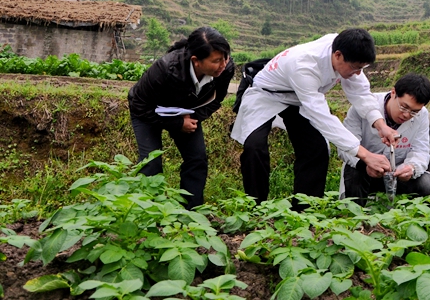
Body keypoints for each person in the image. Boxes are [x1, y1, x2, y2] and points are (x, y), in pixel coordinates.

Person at [231, 28, 395, 205]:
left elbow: (360, 93)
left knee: (317, 149)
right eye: (355, 68)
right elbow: (322, 118)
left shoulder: (345, 49)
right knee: (254, 146)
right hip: (267, 94)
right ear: (338, 55)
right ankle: (256, 207)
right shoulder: (304, 65)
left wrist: (380, 125)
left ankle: (304, 209)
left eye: (361, 69)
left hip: (299, 99)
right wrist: (365, 155)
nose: (357, 73)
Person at [128, 26, 235, 209]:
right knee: (151, 161)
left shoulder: (225, 69)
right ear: (196, 61)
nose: (223, 64)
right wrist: (177, 123)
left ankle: (190, 212)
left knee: (197, 159)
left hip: (185, 111)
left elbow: (216, 100)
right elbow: (138, 104)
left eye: (225, 57)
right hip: (148, 111)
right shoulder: (165, 69)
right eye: (216, 60)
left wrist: (191, 118)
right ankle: (148, 212)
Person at [339, 73, 430, 205]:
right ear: (393, 93)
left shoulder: (422, 115)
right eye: (404, 107)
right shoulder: (363, 107)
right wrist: (366, 163)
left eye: (414, 112)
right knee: (354, 172)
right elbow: (345, 147)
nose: (406, 115)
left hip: (397, 174)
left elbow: (421, 151)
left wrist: (411, 167)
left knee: (427, 184)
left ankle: (413, 214)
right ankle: (355, 213)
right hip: (365, 171)